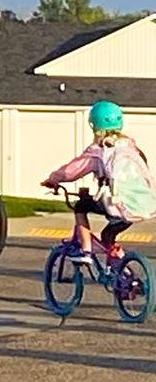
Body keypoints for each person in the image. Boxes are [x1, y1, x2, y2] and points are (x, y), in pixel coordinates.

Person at [44, 103, 154, 266]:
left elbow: (71, 172)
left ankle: (86, 251)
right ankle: (123, 276)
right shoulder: (130, 147)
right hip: (137, 206)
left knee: (81, 206)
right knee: (107, 237)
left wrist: (53, 179)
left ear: (93, 124)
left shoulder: (99, 150)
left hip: (116, 205)